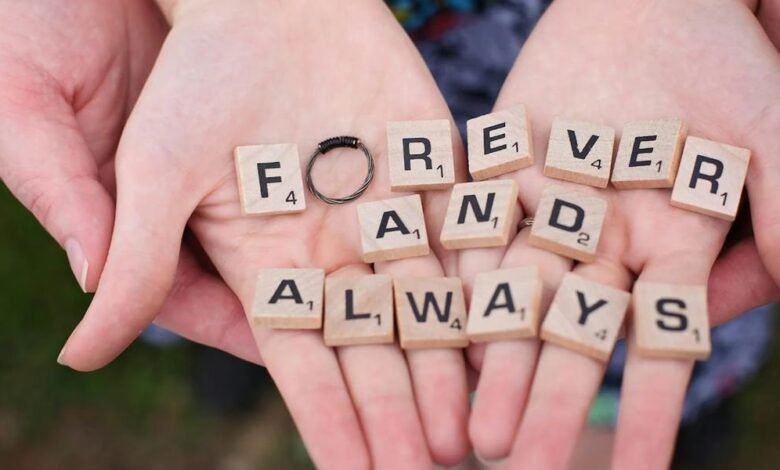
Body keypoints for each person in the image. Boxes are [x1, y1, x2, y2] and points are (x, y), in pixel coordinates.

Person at [1, 0, 779, 468]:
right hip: (241, 64)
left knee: (607, 297)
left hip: (608, 62)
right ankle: (237, 349)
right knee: (251, 271)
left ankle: (629, 406)